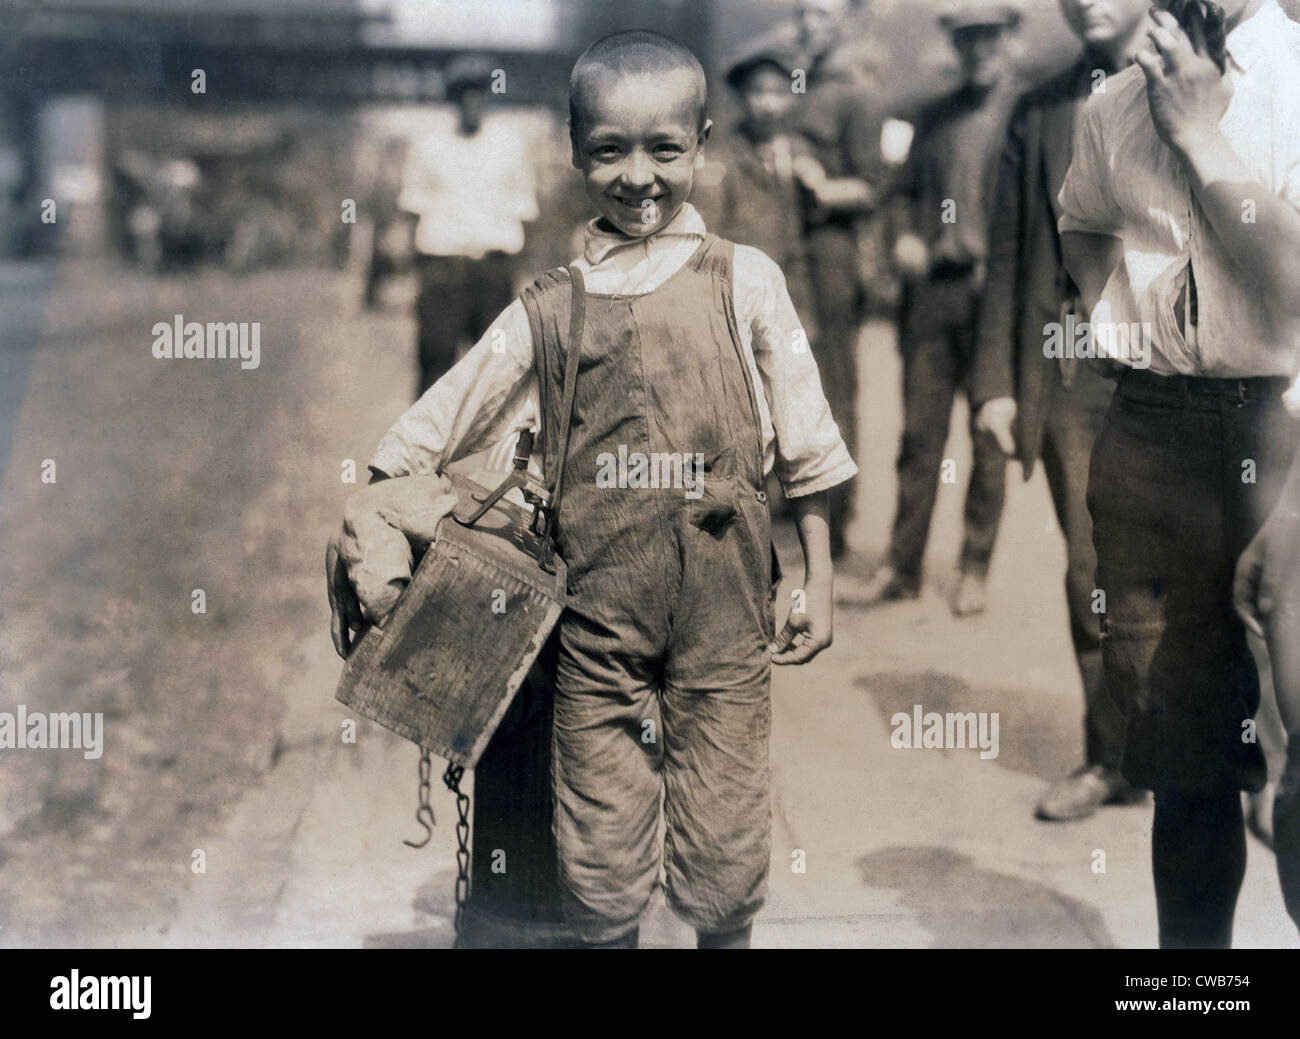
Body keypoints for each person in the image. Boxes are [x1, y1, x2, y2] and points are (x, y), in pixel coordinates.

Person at [342, 31, 857, 949]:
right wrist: (382, 516)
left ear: (700, 143)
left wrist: (817, 576)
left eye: (664, 149)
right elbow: (426, 429)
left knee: (727, 854)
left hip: (728, 620)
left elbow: (809, 449)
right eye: (610, 150)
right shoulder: (550, 305)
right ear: (577, 151)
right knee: (599, 863)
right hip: (596, 633)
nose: (638, 177)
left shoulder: (747, 281)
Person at [1059, 0, 1300, 947]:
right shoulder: (1112, 103)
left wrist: (1202, 135)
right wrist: (1137, 332)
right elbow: (1081, 223)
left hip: (1287, 432)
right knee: (1188, 760)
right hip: (1155, 434)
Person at [971, 0, 1150, 820]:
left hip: (1198, 365)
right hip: (1076, 372)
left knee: (1230, 577)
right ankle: (1113, 757)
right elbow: (1007, 252)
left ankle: (1253, 764)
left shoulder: (1208, 80)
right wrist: (997, 384)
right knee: (1093, 576)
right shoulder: (1040, 108)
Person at [862, 1, 1021, 615]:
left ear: (1009, 40)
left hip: (996, 298)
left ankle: (974, 566)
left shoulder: (1025, 115)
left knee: (989, 436)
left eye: (989, 37)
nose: (978, 49)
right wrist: (903, 233)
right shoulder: (932, 118)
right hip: (934, 293)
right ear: (955, 47)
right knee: (920, 438)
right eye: (967, 39)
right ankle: (902, 567)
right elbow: (897, 194)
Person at [736, 0, 882, 558]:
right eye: (803, 15)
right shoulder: (790, 85)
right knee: (775, 379)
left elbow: (874, 188)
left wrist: (822, 186)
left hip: (831, 254)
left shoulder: (856, 93)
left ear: (845, 20)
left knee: (833, 388)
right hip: (785, 251)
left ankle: (838, 526)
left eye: (823, 14)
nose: (810, 26)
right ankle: (781, 521)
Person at [399, 55, 539, 396]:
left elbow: (525, 210)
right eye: (463, 92)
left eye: (477, 92)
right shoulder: (428, 146)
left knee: (497, 371)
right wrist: (417, 272)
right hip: (442, 270)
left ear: (488, 96)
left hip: (492, 269)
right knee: (435, 360)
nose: (470, 101)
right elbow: (412, 210)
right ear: (453, 98)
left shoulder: (509, 145)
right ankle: (427, 447)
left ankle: (498, 450)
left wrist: (516, 271)